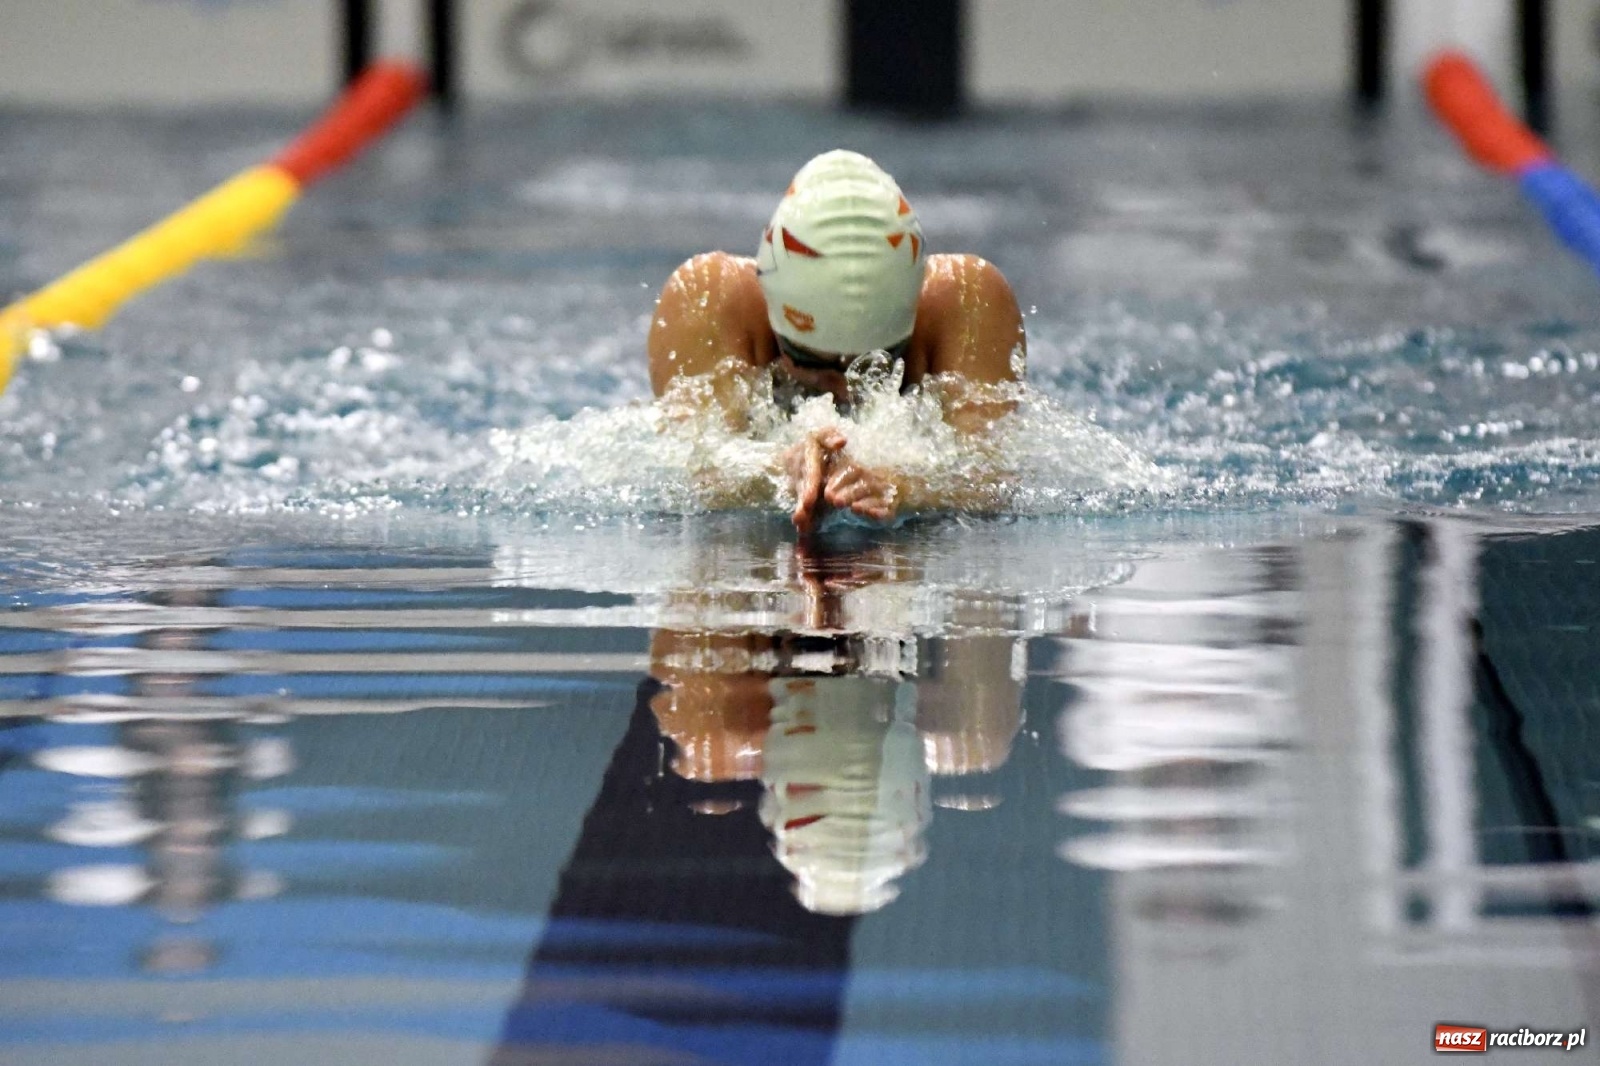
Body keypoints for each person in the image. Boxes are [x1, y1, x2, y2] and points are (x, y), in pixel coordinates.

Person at [648, 149, 1027, 533]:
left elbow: (989, 483)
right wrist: (778, 470)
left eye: (877, 361)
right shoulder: (707, 300)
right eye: (813, 362)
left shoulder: (968, 301)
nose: (844, 388)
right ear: (771, 308)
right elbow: (696, 478)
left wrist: (904, 486)